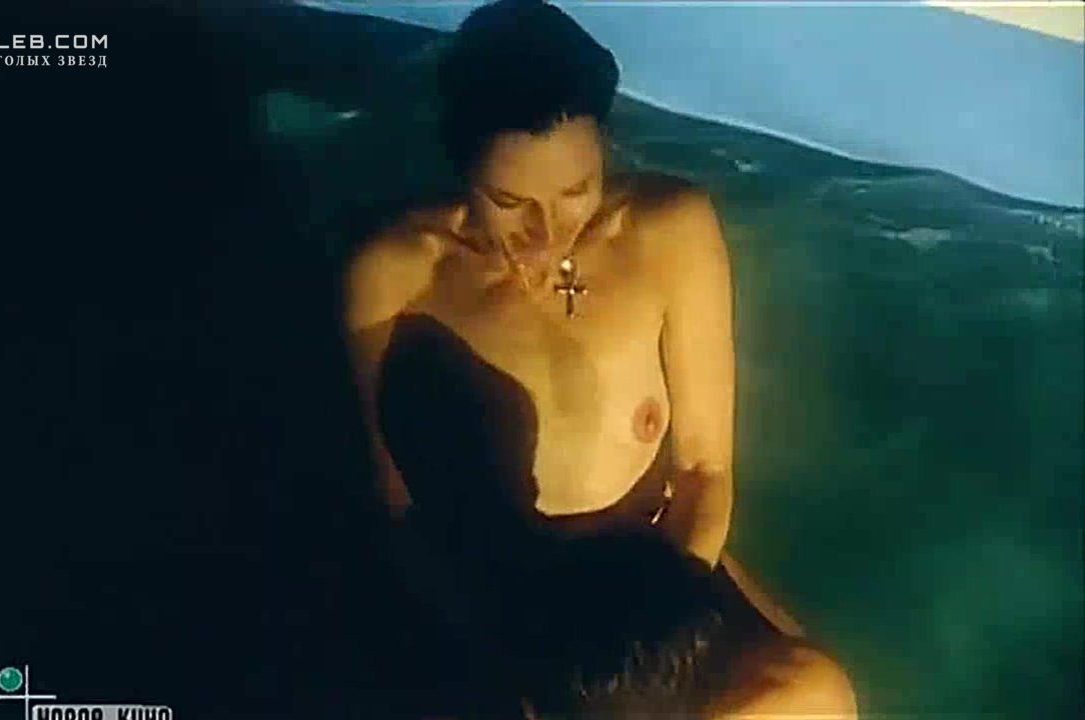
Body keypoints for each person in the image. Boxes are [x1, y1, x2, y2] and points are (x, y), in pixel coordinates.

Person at [342, 0, 859, 717]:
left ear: (606, 151)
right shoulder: (397, 275)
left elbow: (705, 472)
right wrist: (522, 663)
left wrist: (647, 653)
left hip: (661, 575)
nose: (546, 230)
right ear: (461, 163)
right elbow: (398, 505)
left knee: (815, 695)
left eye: (575, 190)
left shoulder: (670, 232)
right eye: (508, 200)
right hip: (512, 600)